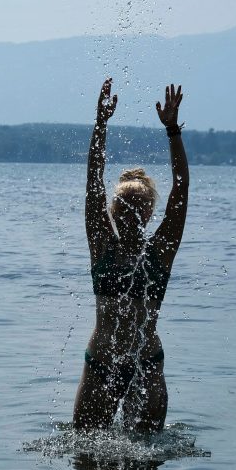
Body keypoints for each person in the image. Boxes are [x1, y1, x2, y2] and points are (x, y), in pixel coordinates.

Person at [72, 79, 188, 433]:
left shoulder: (160, 252)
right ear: (112, 211)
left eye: (138, 207)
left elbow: (181, 189)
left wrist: (172, 132)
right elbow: (93, 180)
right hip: (101, 363)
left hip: (147, 365)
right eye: (123, 207)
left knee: (148, 468)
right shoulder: (102, 247)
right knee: (86, 463)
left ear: (150, 211)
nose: (130, 214)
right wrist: (100, 124)